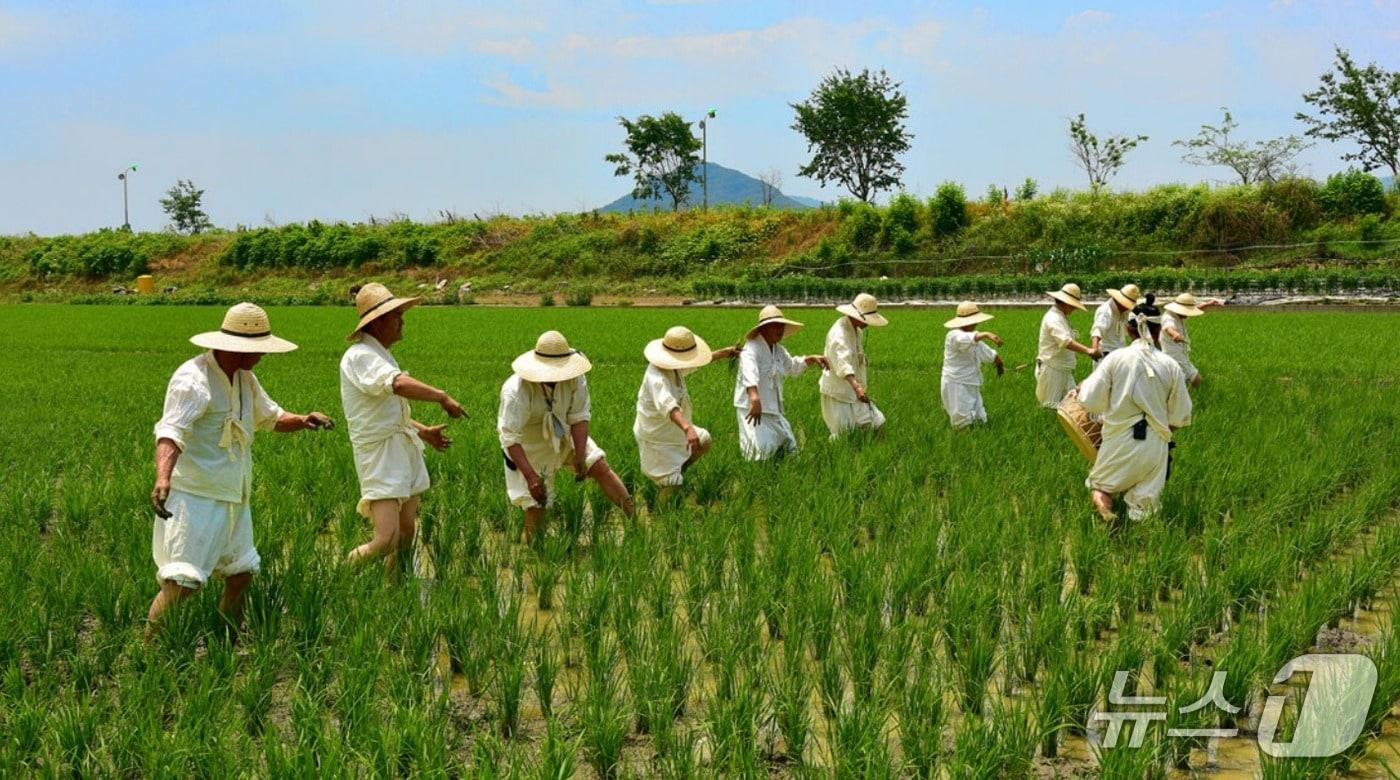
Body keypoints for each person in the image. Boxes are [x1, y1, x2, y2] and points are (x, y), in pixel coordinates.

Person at [149, 303, 333, 635]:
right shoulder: (192, 380)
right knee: (182, 584)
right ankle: (146, 653)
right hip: (196, 498)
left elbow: (272, 418)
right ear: (237, 347)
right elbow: (170, 431)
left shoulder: (245, 379)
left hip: (233, 495)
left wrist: (304, 420)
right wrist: (163, 477)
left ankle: (226, 639)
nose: (263, 355)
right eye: (258, 348)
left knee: (241, 574)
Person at [340, 283, 465, 573]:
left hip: (400, 446)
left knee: (407, 531)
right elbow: (398, 384)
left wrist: (422, 431)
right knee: (387, 539)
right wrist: (442, 397)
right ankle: (339, 580)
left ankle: (396, 590)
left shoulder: (380, 354)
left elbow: (387, 412)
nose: (402, 321)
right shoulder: (360, 356)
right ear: (379, 321)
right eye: (397, 315)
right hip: (380, 454)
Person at [499, 330, 634, 540]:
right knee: (538, 503)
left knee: (598, 465)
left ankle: (635, 522)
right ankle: (536, 554)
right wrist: (531, 476)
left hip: (563, 433)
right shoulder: (516, 391)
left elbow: (579, 416)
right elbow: (509, 437)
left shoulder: (575, 378)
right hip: (528, 446)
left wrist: (580, 454)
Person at [1078, 294, 1193, 522]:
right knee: (1145, 504)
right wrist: (1161, 432)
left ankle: (1106, 510)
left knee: (1100, 486)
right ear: (1159, 331)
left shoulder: (1116, 358)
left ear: (1129, 330)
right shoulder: (1171, 365)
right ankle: (1142, 543)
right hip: (1155, 445)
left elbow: (1089, 400)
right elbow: (1182, 414)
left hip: (1118, 438)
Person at [633, 326, 733, 496]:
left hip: (673, 431)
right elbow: (668, 404)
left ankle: (677, 470)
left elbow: (693, 365)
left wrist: (722, 353)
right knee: (672, 483)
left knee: (704, 440)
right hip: (658, 437)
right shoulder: (657, 376)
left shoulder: (673, 367)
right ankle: (661, 519)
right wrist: (688, 428)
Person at [733, 305, 827, 460]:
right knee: (760, 452)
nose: (780, 330)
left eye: (781, 326)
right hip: (753, 409)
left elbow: (792, 367)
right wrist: (754, 398)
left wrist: (811, 359)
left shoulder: (778, 349)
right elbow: (749, 373)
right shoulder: (752, 349)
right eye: (775, 326)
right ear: (764, 328)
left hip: (772, 406)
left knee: (790, 446)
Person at [819, 293, 888, 438]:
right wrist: (857, 387)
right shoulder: (840, 334)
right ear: (858, 316)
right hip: (838, 392)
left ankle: (876, 452)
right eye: (867, 320)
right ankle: (838, 458)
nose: (868, 324)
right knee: (842, 434)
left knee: (878, 422)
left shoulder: (855, 330)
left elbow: (853, 355)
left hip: (854, 391)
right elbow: (843, 363)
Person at [940, 301, 1004, 429]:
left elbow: (985, 351)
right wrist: (986, 334)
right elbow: (964, 339)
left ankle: (978, 439)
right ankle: (963, 444)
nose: (975, 324)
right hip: (956, 383)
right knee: (961, 420)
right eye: (973, 321)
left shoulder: (973, 338)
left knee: (979, 417)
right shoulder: (953, 335)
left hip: (971, 382)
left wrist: (998, 362)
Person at [1036, 283, 1099, 408]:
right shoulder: (1053, 318)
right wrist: (1088, 351)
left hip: (1064, 369)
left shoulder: (1061, 316)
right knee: (1051, 406)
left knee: (1072, 404)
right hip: (1052, 369)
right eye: (1073, 306)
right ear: (1065, 303)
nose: (1074, 309)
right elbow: (1065, 341)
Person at [1162, 293, 1222, 389]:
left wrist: (1208, 304)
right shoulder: (1169, 317)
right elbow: (1168, 327)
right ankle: (1187, 400)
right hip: (1174, 356)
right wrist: (1175, 334)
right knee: (1197, 380)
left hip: (1181, 354)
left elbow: (1196, 308)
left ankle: (1186, 399)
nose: (1188, 314)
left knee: (1180, 383)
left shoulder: (1179, 314)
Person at [1090, 284, 1142, 358]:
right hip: (1106, 354)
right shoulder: (1105, 311)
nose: (1127, 308)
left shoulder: (1124, 311)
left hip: (1120, 352)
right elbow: (1098, 330)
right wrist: (1094, 349)